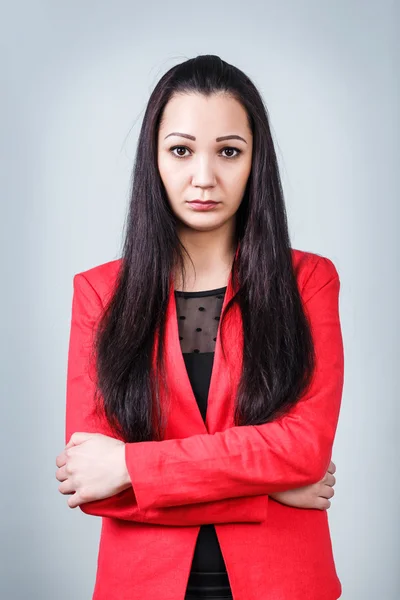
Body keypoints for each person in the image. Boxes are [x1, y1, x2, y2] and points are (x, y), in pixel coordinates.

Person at [55, 54, 344, 600]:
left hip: (285, 583)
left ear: (256, 161)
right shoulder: (99, 294)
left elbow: (305, 449)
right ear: (154, 159)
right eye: (182, 150)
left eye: (229, 152)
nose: (204, 177)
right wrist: (266, 491)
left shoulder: (309, 282)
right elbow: (93, 485)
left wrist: (132, 466)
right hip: (140, 585)